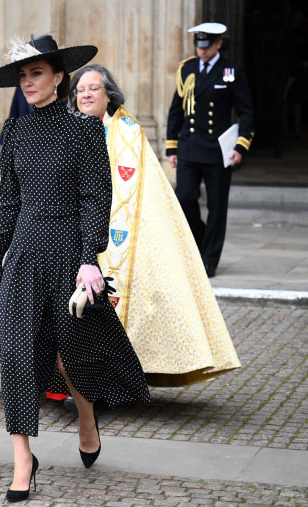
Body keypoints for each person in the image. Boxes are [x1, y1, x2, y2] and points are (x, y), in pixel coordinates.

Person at [0, 35, 151, 501]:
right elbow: (10, 204)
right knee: (16, 360)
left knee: (70, 352)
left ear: (59, 77)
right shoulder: (14, 132)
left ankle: (87, 417)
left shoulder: (84, 130)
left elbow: (97, 197)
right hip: (21, 260)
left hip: (67, 259)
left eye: (36, 73)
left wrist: (88, 258)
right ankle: (22, 462)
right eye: (22, 75)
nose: (28, 82)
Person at [65, 65, 241, 389]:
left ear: (109, 95)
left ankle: (108, 381)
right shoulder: (66, 129)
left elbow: (145, 191)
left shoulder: (128, 131)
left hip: (118, 233)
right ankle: (72, 380)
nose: (86, 95)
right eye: (80, 90)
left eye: (93, 89)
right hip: (71, 229)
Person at [166, 22, 255, 278]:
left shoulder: (231, 71)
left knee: (217, 207)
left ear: (218, 44)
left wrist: (241, 146)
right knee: (184, 198)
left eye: (207, 46)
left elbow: (246, 111)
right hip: (189, 148)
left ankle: (210, 260)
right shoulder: (188, 69)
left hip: (218, 151)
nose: (202, 51)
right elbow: (176, 109)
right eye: (199, 46)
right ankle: (203, 240)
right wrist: (172, 145)